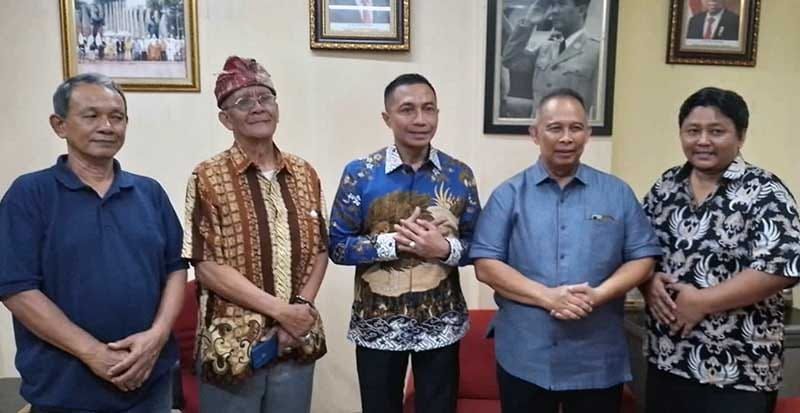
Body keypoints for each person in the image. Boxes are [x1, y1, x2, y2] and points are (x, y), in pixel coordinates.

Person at [0, 73, 187, 412]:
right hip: (66, 389)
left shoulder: (149, 193)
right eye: (91, 115)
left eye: (117, 117)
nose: (107, 126)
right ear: (59, 125)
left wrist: (157, 337)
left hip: (150, 380)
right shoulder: (29, 194)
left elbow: (176, 269)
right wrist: (93, 353)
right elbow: (17, 288)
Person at [470, 88, 662, 413]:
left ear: (588, 134)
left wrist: (598, 295)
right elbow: (486, 264)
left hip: (597, 359)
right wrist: (547, 297)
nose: (566, 138)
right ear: (535, 134)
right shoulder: (508, 195)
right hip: (525, 357)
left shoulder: (617, 193)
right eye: (555, 128)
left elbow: (643, 258)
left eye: (576, 128)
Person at [639, 87, 799, 413]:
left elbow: (783, 267)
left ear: (741, 136)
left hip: (738, 370)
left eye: (716, 131)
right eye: (692, 131)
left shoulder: (765, 191)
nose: (702, 141)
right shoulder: (666, 186)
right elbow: (638, 247)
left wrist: (702, 302)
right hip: (668, 358)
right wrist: (647, 281)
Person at [182, 55, 328, 413]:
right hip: (232, 348)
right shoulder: (207, 177)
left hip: (296, 341)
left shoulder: (305, 173)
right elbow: (207, 266)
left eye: (265, 98)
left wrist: (301, 309)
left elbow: (321, 248)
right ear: (225, 119)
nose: (258, 107)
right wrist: (282, 311)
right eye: (244, 101)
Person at [329, 73, 481, 413]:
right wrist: (392, 244)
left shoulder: (459, 175)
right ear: (387, 118)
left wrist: (443, 249)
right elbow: (337, 246)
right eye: (407, 109)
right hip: (378, 321)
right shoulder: (361, 174)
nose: (420, 119)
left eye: (429, 109)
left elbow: (481, 246)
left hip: (441, 320)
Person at [502, 0, 599, 118]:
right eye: (553, 5)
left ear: (581, 10)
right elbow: (510, 60)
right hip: (538, 127)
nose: (554, 10)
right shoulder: (546, 48)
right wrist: (528, 22)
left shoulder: (596, 51)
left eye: (561, 4)